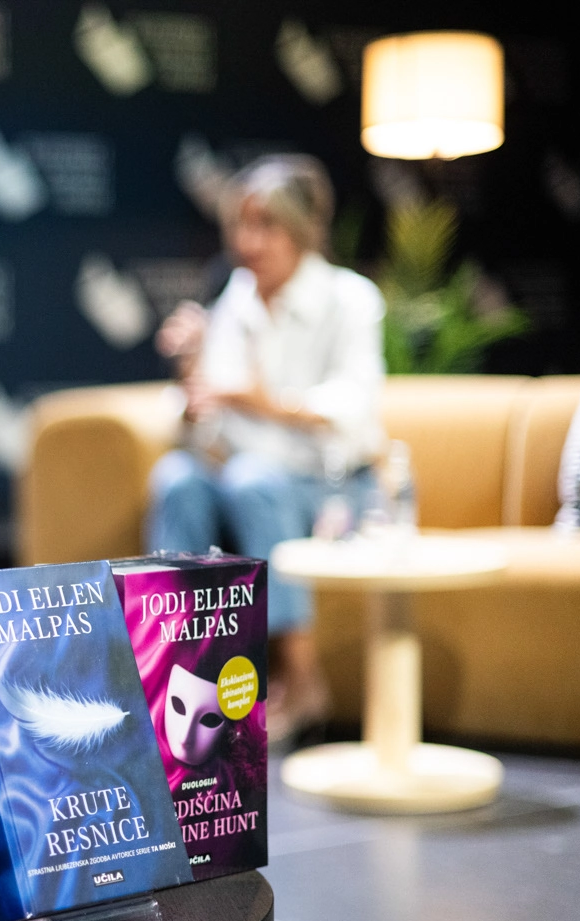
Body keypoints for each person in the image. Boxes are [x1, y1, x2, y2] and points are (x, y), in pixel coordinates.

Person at [147, 154, 386, 739]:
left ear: (302, 231)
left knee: (254, 479)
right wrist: (192, 377)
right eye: (241, 225)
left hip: (333, 485)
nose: (248, 243)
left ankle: (302, 680)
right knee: (177, 478)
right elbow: (210, 425)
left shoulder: (350, 299)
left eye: (266, 226)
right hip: (246, 479)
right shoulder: (237, 299)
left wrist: (263, 402)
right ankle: (170, 674)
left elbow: (353, 410)